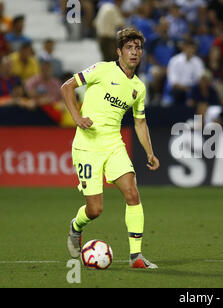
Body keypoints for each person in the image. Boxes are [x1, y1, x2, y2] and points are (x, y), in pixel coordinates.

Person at [61, 27, 160, 269]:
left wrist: (149, 151)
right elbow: (66, 87)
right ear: (119, 51)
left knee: (133, 194)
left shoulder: (138, 87)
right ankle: (76, 226)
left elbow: (140, 121)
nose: (134, 52)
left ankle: (136, 256)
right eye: (129, 47)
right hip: (87, 146)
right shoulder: (102, 69)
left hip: (114, 145)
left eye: (138, 48)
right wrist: (76, 117)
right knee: (95, 210)